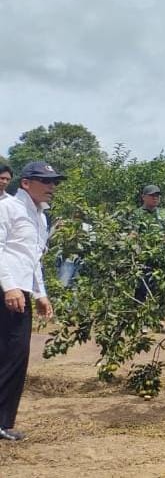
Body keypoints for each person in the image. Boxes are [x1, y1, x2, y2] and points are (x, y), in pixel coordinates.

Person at [0, 162, 60, 441]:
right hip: (6, 289)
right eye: (45, 181)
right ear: (26, 183)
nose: (52, 187)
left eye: (54, 182)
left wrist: (40, 293)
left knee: (16, 356)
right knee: (9, 355)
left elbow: (33, 259)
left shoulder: (41, 216)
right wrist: (9, 287)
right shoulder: (8, 207)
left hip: (20, 291)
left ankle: (3, 422)